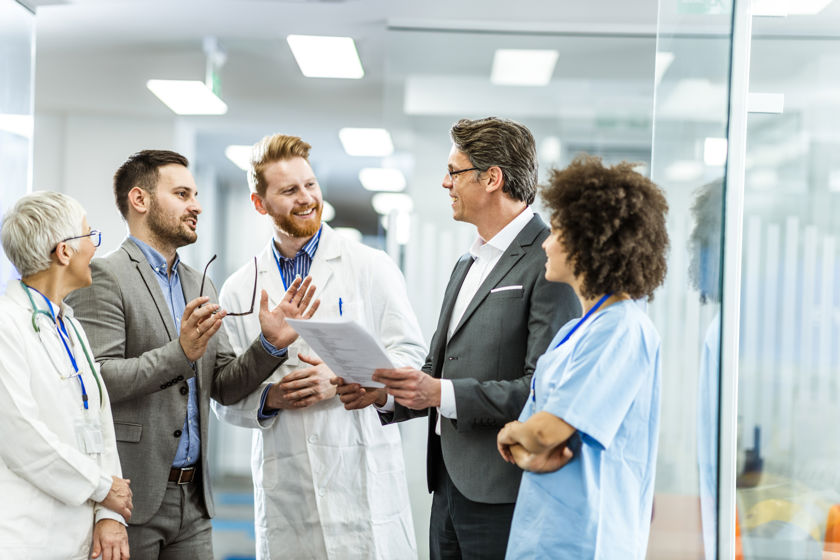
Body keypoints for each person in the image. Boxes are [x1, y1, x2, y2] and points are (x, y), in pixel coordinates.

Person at [337, 116, 580, 559]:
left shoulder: (550, 260)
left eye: (454, 171)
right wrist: (384, 395)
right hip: (447, 488)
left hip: (505, 492)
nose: (444, 183)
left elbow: (542, 390)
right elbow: (435, 370)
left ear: (492, 178)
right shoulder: (466, 264)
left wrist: (441, 394)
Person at [66, 150, 318, 559]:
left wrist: (270, 344)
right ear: (140, 200)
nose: (196, 205)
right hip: (132, 498)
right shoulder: (105, 277)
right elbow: (100, 380)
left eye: (196, 194)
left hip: (195, 500)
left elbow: (220, 384)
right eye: (182, 194)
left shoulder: (199, 283)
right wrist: (180, 354)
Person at [213, 133, 427, 559]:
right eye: (289, 190)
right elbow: (221, 395)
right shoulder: (240, 289)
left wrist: (342, 376)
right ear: (261, 204)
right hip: (288, 487)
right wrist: (270, 398)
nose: (306, 198)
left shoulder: (369, 266)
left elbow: (410, 356)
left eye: (310, 185)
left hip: (362, 476)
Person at [496, 154, 669, 559]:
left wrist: (510, 434)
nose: (545, 243)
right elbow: (533, 439)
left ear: (587, 243)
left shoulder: (622, 329)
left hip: (588, 540)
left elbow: (541, 433)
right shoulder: (576, 331)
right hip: (543, 535)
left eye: (555, 232)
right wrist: (524, 445)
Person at [0, 191, 132, 559]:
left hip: (79, 532)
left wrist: (109, 513)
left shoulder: (69, 326)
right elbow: (21, 437)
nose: (95, 247)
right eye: (90, 235)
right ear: (64, 251)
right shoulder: (5, 326)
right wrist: (103, 488)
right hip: (25, 537)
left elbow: (100, 422)